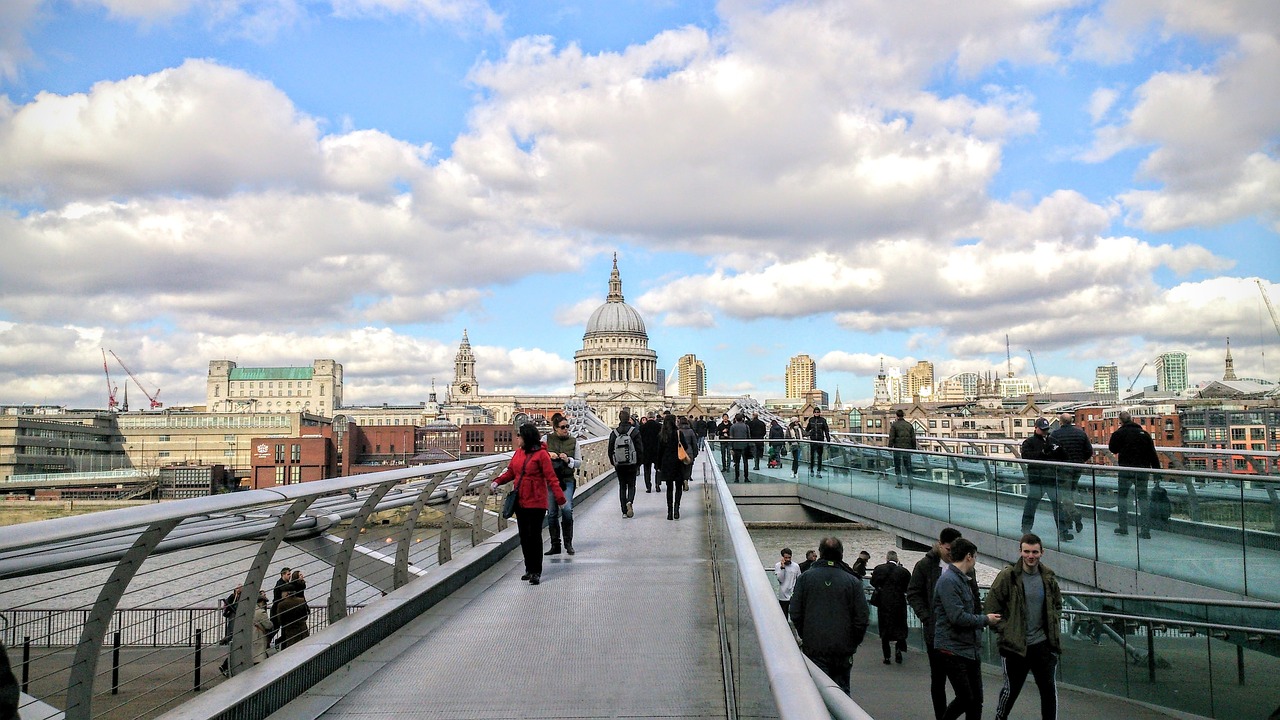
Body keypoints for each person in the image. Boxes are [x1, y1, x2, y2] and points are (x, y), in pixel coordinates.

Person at [984, 533, 1063, 720]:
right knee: (1010, 692)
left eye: (1035, 552)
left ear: (1042, 553)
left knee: (1048, 692)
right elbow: (991, 607)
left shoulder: (1048, 578)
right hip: (1015, 647)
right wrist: (1006, 630)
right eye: (1026, 551)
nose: (1031, 556)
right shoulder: (1007, 576)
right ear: (1020, 552)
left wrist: (1053, 624)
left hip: (1042, 645)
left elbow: (1057, 604)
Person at [789, 537, 870, 695]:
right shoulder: (853, 581)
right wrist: (853, 642)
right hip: (843, 648)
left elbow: (795, 612)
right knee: (842, 692)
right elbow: (862, 617)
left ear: (820, 553)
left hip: (814, 646)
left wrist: (806, 634)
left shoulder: (805, 578)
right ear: (841, 554)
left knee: (817, 693)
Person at [933, 537, 1001, 720]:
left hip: (968, 648)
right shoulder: (949, 581)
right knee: (965, 698)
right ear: (969, 556)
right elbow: (957, 617)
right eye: (975, 557)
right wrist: (985, 620)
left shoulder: (961, 579)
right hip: (952, 649)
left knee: (976, 700)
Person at [493, 421, 567, 585]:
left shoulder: (542, 455)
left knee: (534, 536)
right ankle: (528, 568)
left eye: (519, 435)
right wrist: (497, 481)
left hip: (536, 502)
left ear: (526, 437)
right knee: (525, 536)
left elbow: (551, 478)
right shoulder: (518, 453)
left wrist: (560, 499)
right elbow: (511, 471)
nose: (517, 438)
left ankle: (536, 571)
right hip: (521, 501)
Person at [907, 527, 965, 720]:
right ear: (940, 545)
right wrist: (926, 617)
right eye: (949, 549)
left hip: (960, 633)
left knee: (965, 688)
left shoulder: (963, 564)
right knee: (938, 679)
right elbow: (913, 593)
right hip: (935, 632)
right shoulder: (925, 565)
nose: (952, 554)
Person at [1108, 410, 1161, 539]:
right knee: (1143, 499)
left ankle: (1123, 527)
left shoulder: (1119, 433)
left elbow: (1112, 449)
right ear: (1132, 419)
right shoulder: (1144, 434)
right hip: (1142, 471)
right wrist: (1157, 472)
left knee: (1122, 498)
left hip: (1126, 471)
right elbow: (1152, 454)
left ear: (1120, 421)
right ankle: (1145, 530)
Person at [1020, 418, 1072, 541]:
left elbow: (1064, 457)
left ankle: (1063, 532)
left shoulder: (1053, 441)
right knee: (1032, 504)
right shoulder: (1029, 442)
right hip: (1038, 479)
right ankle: (1026, 528)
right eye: (1042, 430)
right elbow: (1027, 457)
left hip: (1050, 478)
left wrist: (1059, 451)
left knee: (1056, 505)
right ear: (1036, 429)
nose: (1044, 432)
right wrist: (1043, 452)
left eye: (1046, 430)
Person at [543, 412, 580, 555]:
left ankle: (568, 543)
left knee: (567, 510)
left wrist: (568, 460)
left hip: (567, 480)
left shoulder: (574, 441)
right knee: (552, 513)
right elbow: (538, 453)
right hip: (551, 481)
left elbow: (579, 463)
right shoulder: (546, 439)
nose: (566, 429)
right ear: (555, 428)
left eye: (567, 426)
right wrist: (548, 455)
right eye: (563, 427)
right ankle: (555, 545)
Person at [1051, 413, 1092, 533]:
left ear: (1060, 422)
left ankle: (1075, 515)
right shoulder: (1081, 433)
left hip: (1063, 468)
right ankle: (1069, 522)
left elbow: (1052, 452)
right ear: (1071, 421)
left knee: (1064, 496)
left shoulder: (1055, 434)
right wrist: (1080, 460)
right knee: (1070, 493)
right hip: (1077, 467)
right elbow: (1089, 451)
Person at [870, 550, 912, 665]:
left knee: (884, 628)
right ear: (897, 559)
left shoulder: (879, 569)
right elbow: (908, 587)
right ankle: (898, 649)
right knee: (900, 626)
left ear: (887, 558)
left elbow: (873, 582)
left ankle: (887, 656)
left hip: (883, 603)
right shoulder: (904, 572)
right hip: (899, 603)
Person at [608, 410, 643, 518]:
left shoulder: (614, 432)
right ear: (629, 419)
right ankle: (630, 502)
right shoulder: (634, 431)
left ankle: (623, 511)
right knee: (632, 485)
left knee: (622, 486)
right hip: (632, 463)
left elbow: (610, 450)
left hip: (619, 464)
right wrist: (638, 463)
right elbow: (639, 449)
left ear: (619, 418)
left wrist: (614, 462)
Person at [656, 414, 684, 520]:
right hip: (678, 462)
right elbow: (684, 446)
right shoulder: (678, 433)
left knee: (669, 488)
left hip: (666, 464)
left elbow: (659, 452)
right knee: (678, 487)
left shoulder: (662, 435)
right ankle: (676, 510)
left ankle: (669, 512)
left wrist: (658, 465)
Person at [273, 581, 311, 650]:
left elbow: (280, 621)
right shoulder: (301, 601)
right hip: (303, 631)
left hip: (290, 633)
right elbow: (305, 616)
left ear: (286, 593)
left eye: (282, 592)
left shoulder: (281, 605)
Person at [888, 409, 917, 488]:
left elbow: (891, 438)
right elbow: (913, 438)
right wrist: (913, 449)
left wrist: (890, 448)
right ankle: (910, 483)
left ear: (896, 416)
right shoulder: (909, 425)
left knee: (897, 466)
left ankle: (899, 483)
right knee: (908, 466)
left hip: (897, 448)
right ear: (903, 415)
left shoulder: (894, 425)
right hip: (907, 448)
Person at [774, 547, 801, 615]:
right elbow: (781, 579)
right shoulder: (778, 565)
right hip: (783, 595)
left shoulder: (796, 566)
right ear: (782, 557)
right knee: (784, 615)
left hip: (793, 594)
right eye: (786, 558)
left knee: (795, 614)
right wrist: (782, 568)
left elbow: (799, 578)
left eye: (789, 557)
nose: (788, 559)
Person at [806, 408, 831, 476]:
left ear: (820, 413)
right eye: (815, 412)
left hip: (820, 440)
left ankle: (818, 471)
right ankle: (811, 469)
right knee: (812, 456)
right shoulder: (811, 420)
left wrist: (828, 440)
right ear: (813, 413)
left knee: (819, 456)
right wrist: (808, 434)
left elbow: (826, 430)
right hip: (813, 440)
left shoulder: (823, 420)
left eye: (818, 412)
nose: (816, 413)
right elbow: (807, 429)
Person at [639, 412, 661, 493]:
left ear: (647, 418)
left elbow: (639, 441)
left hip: (646, 451)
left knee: (647, 470)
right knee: (658, 469)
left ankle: (648, 486)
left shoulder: (642, 427)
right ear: (654, 417)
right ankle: (657, 484)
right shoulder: (659, 426)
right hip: (657, 451)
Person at [677, 416, 698, 495]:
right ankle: (686, 478)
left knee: (681, 467)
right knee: (688, 467)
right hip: (689, 451)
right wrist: (695, 453)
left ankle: (682, 480)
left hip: (680, 451)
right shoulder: (691, 431)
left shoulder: (678, 431)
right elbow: (694, 443)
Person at [729, 413, 752, 482]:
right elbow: (749, 437)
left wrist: (731, 447)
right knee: (745, 462)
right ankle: (746, 477)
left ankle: (737, 478)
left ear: (735, 419)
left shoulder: (732, 427)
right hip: (745, 446)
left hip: (736, 446)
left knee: (737, 463)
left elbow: (731, 437)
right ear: (742, 419)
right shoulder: (746, 426)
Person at [251, 595, 273, 664]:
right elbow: (268, 625)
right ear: (262, 602)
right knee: (259, 657)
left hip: (252, 637)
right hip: (259, 637)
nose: (266, 605)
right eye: (265, 603)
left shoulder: (250, 611)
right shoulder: (261, 612)